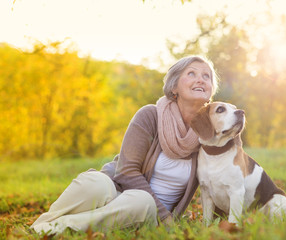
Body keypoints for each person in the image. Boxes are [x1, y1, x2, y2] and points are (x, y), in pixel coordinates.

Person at [31, 55, 219, 235]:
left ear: (211, 90)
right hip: (115, 192)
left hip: (147, 213)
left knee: (141, 201)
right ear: (174, 87)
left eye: (206, 76)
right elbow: (127, 170)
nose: (201, 79)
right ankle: (45, 223)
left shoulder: (212, 131)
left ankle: (56, 227)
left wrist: (165, 217)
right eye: (192, 73)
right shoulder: (151, 116)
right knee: (95, 182)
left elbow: (226, 176)